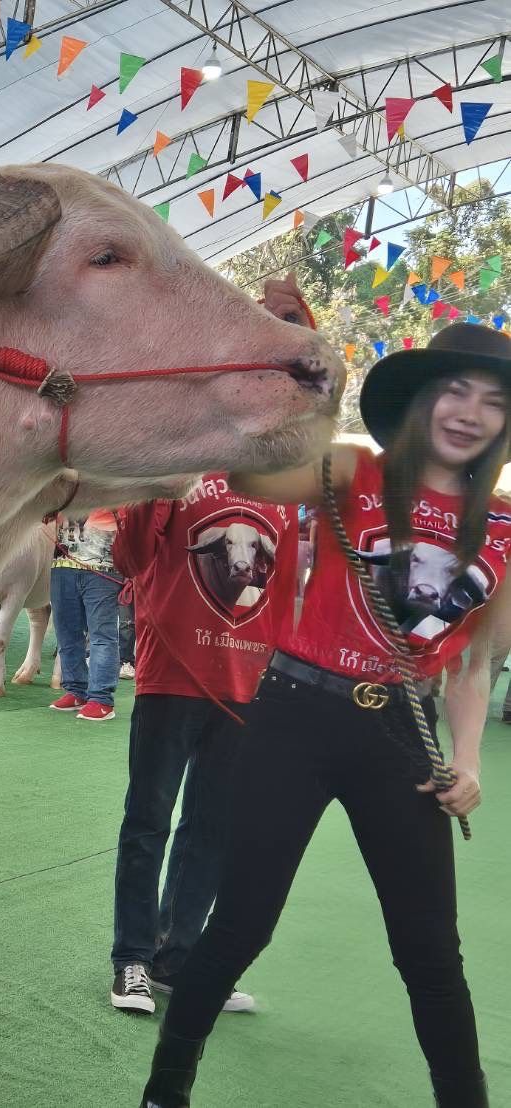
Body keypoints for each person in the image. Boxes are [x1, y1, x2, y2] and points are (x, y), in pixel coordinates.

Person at [139, 321, 511, 1108]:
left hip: (401, 738)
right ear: (420, 399)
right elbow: (249, 472)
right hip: (295, 717)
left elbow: (477, 664)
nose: (469, 412)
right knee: (240, 926)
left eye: (492, 401)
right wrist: (282, 363)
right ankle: (163, 1093)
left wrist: (468, 760)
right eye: (454, 389)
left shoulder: (507, 526)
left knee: (429, 952)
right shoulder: (354, 469)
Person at [108, 475, 298, 1016]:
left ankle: (177, 958)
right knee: (148, 821)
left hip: (248, 683)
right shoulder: (181, 466)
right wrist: (152, 483)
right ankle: (134, 959)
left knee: (212, 829)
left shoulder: (284, 487)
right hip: (171, 674)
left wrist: (277, 671)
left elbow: (280, 586)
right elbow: (129, 557)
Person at [50, 508, 122, 720]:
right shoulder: (64, 480)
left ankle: (101, 698)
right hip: (63, 563)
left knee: (102, 635)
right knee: (66, 632)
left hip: (104, 566)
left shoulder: (115, 480)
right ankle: (76, 691)